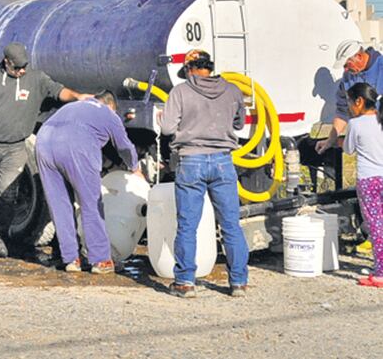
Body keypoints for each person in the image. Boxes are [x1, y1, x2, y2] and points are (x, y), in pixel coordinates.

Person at [0, 41, 89, 257]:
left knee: (7, 194)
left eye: (24, 66)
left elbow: (59, 91)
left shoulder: (36, 79)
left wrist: (78, 97)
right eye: (17, 67)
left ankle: (1, 234)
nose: (22, 71)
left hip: (16, 148)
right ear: (6, 62)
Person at [160, 49, 248, 298]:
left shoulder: (180, 91)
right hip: (223, 161)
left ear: (190, 70)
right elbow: (240, 123)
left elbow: (166, 128)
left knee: (188, 226)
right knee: (231, 224)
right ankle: (238, 283)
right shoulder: (232, 90)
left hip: (191, 161)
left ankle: (185, 283)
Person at [36, 90, 141, 274]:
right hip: (75, 144)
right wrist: (135, 168)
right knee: (91, 203)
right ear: (111, 105)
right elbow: (124, 146)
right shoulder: (108, 113)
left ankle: (71, 259)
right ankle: (101, 260)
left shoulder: (74, 106)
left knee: (59, 204)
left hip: (43, 142)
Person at [342, 83, 383, 288]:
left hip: (369, 180)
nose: (349, 107)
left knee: (376, 225)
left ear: (359, 101)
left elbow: (348, 149)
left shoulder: (355, 124)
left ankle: (380, 273)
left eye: (349, 102)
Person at [315, 40, 383, 155]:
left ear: (359, 57)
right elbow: (343, 111)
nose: (345, 69)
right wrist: (330, 141)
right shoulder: (347, 78)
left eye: (347, 64)